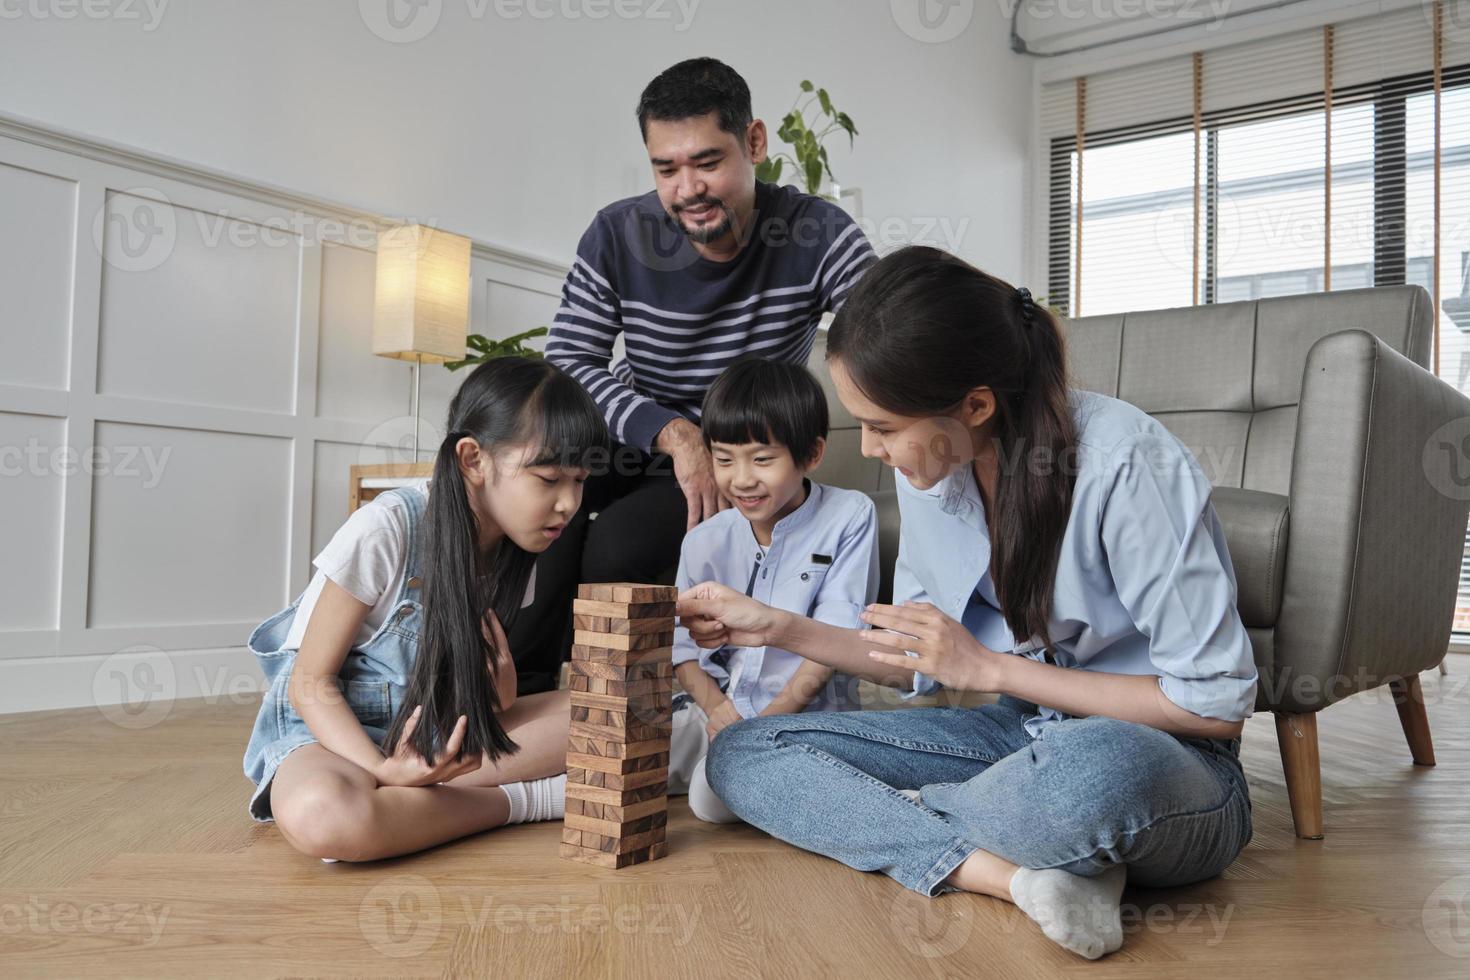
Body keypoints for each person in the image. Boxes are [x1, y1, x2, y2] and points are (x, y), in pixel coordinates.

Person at [677, 246, 1258, 960]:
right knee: (744, 751)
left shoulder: (1126, 463)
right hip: (1018, 744)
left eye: (885, 427)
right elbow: (914, 660)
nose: (873, 449)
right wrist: (778, 625)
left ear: (975, 405)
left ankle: (890, 819)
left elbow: (1214, 710)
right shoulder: (934, 469)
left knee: (1090, 778)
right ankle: (1019, 875)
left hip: (1165, 762)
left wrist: (994, 670)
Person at [512, 56, 876, 693]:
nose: (687, 189)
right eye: (666, 168)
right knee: (533, 510)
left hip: (728, 448)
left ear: (754, 143)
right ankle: (520, 694)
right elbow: (568, 364)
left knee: (618, 550)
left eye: (708, 162)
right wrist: (675, 434)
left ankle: (615, 724)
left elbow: (885, 335)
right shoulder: (616, 232)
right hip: (633, 433)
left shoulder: (817, 233)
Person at [241, 357, 609, 862]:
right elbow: (310, 684)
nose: (568, 503)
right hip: (337, 736)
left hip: (439, 732)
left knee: (618, 710)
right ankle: (526, 802)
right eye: (548, 479)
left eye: (579, 481)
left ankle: (402, 813)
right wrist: (384, 769)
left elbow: (483, 702)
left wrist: (499, 692)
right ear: (472, 459)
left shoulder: (520, 545)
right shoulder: (387, 527)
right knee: (323, 815)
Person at [666, 358, 879, 823]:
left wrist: (766, 722)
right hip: (717, 713)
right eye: (723, 459)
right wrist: (718, 710)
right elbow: (681, 649)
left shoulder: (849, 516)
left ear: (812, 454)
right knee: (621, 748)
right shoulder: (704, 539)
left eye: (762, 459)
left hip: (807, 718)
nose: (741, 479)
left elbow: (834, 639)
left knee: (710, 801)